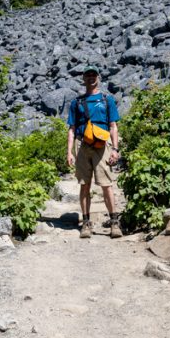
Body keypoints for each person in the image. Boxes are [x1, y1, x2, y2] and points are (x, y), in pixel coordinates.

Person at [66, 65, 122, 239]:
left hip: (102, 146)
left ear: (98, 77)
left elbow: (113, 126)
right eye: (87, 75)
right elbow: (72, 129)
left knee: (106, 185)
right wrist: (69, 152)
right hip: (82, 144)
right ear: (83, 79)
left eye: (93, 75)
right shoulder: (76, 102)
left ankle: (114, 223)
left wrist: (115, 148)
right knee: (85, 185)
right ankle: (86, 223)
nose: (91, 78)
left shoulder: (107, 100)